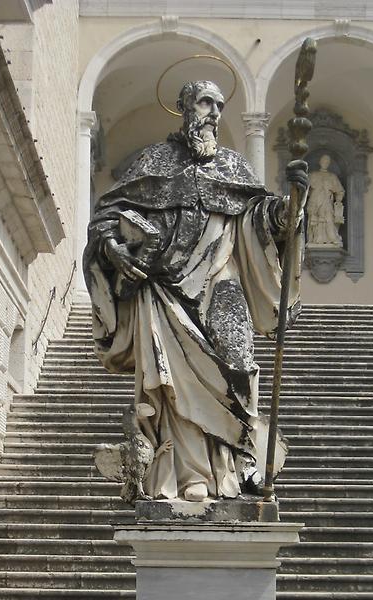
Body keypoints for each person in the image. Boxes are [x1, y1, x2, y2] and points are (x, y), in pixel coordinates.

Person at [83, 79, 308, 503]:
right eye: (206, 102)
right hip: (166, 291)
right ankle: (190, 477)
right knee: (174, 386)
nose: (215, 113)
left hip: (223, 283)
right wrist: (116, 250)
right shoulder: (154, 160)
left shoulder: (233, 167)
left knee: (239, 366)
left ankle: (238, 468)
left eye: (220, 105)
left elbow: (262, 220)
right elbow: (106, 219)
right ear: (185, 107)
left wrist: (291, 204)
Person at [306, 154, 345, 247]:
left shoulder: (332, 176)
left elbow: (340, 191)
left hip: (327, 202)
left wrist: (338, 201)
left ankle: (331, 239)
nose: (325, 163)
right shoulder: (312, 175)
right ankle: (315, 239)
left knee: (328, 219)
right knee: (316, 221)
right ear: (320, 162)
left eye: (327, 162)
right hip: (314, 202)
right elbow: (306, 190)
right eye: (323, 161)